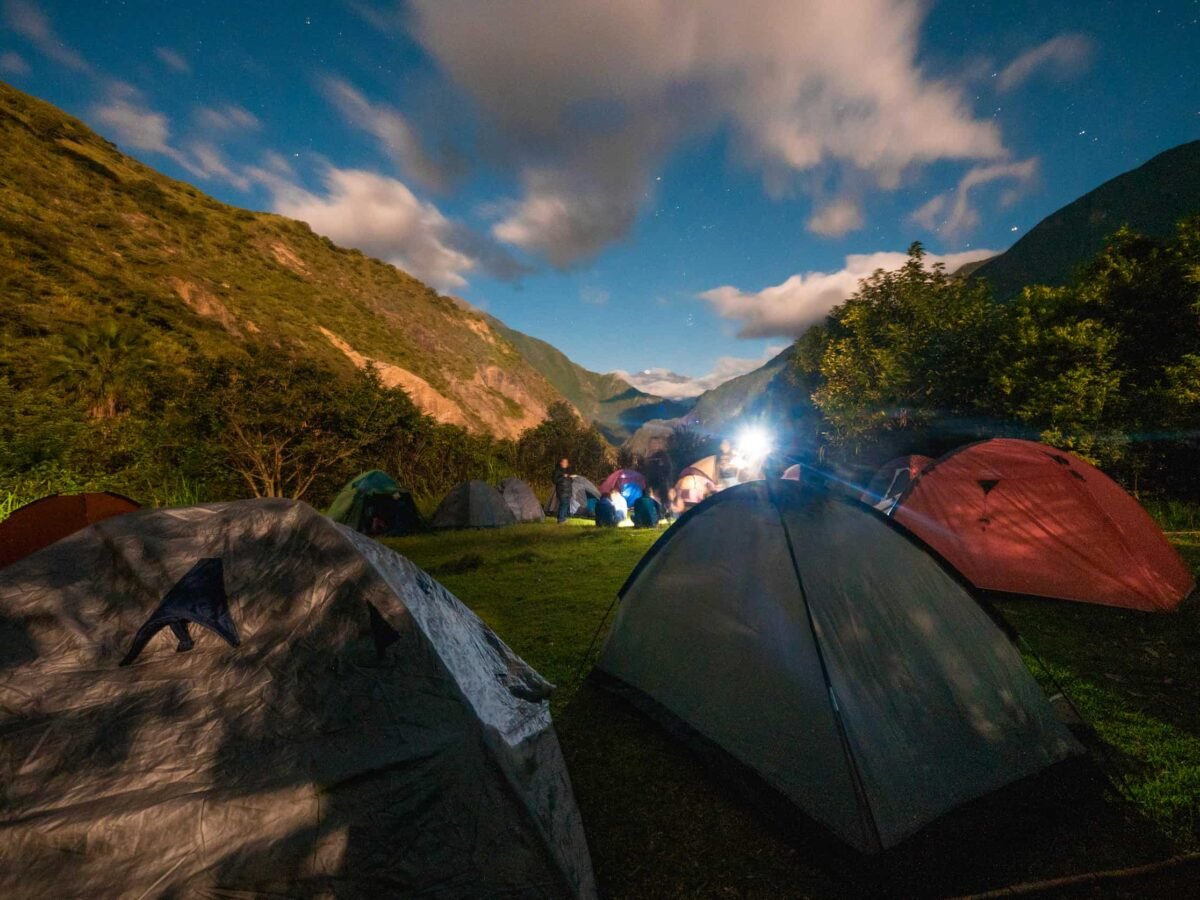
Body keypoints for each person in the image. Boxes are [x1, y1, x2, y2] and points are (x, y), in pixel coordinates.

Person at [553, 458, 573, 524]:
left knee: (566, 505)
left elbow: (570, 481)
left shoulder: (568, 471)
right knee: (563, 504)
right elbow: (555, 480)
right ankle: (561, 520)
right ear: (561, 463)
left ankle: (562, 518)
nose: (565, 463)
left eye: (566, 462)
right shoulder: (557, 471)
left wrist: (571, 478)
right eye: (564, 462)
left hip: (568, 491)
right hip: (561, 491)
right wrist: (563, 476)